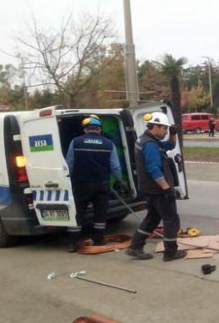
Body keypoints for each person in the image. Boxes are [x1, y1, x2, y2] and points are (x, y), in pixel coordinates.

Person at [125, 111, 186, 262]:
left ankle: (135, 247)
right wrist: (166, 188)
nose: (165, 132)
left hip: (148, 189)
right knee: (171, 219)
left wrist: (173, 134)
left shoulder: (145, 139)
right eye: (164, 128)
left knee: (152, 218)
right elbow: (153, 169)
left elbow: (170, 145)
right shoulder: (151, 145)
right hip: (159, 190)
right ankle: (170, 252)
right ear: (155, 127)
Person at [65, 116, 124, 252]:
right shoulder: (109, 144)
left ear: (85, 129)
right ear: (99, 129)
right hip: (102, 184)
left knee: (78, 213)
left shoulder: (76, 142)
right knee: (100, 214)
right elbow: (115, 166)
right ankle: (98, 240)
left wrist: (68, 179)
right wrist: (119, 180)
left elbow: (69, 163)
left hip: (81, 185)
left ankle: (72, 243)